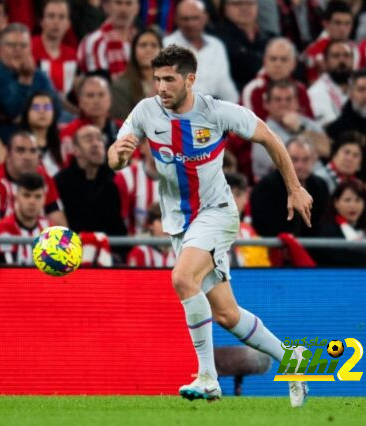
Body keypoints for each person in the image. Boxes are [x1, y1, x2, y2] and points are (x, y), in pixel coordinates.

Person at [107, 45, 312, 406]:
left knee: (182, 279)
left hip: (216, 212)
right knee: (227, 314)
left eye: (169, 79)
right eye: (157, 79)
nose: (161, 87)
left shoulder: (217, 112)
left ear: (190, 79)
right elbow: (115, 156)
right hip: (179, 224)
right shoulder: (145, 111)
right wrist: (119, 156)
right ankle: (294, 361)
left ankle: (207, 378)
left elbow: (269, 137)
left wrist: (294, 188)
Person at [0, 130, 67, 232]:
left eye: (33, 151)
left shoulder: (44, 178)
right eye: (20, 151)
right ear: (7, 154)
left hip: (41, 242)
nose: (27, 157)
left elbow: (60, 225)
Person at [0, 23, 60, 140]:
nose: (17, 50)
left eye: (23, 46)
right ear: (0, 48)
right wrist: (25, 80)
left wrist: (24, 116)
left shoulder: (39, 75)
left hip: (40, 137)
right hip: (8, 140)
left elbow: (56, 107)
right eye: (11, 45)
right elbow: (12, 110)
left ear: (30, 48)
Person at [56, 124, 127, 237]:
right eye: (88, 140)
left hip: (108, 249)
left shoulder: (113, 181)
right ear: (75, 150)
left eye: (99, 139)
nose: (95, 144)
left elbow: (118, 226)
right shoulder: (60, 182)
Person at [163, 0, 239, 103]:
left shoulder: (216, 45)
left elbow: (225, 85)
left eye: (195, 18)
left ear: (205, 18)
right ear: (176, 19)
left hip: (214, 108)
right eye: (185, 19)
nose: (190, 24)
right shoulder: (166, 45)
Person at [250, 138, 328, 238]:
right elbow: (262, 225)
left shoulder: (320, 186)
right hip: (274, 246)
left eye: (305, 160)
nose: (300, 165)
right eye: (295, 160)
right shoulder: (265, 187)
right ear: (284, 160)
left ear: (314, 160)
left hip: (310, 249)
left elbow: (319, 225)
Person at [252, 80, 327, 181]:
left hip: (317, 183)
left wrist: (299, 129)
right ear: (267, 104)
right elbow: (278, 166)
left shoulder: (306, 123)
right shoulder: (261, 131)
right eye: (278, 100)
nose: (283, 104)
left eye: (288, 99)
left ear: (296, 102)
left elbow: (326, 150)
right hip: (280, 187)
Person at [311, 179, 366, 266]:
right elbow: (347, 259)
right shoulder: (328, 230)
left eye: (358, 200)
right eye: (347, 200)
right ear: (336, 203)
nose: (353, 205)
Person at [0, 172, 50, 265]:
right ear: (16, 197)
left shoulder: (50, 229)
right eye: (26, 195)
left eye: (38, 196)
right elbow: (10, 274)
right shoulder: (2, 230)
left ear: (44, 199)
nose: (32, 201)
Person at [241, 37, 314, 121]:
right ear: (265, 61)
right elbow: (246, 129)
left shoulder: (300, 89)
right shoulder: (253, 90)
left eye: (284, 60)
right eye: (273, 59)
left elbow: (312, 125)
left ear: (293, 64)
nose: (278, 64)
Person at [213, 0, 273, 91]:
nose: (244, 8)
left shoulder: (271, 38)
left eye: (250, 3)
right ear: (224, 7)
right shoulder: (216, 40)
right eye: (237, 3)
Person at [60, 75, 122, 159]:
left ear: (110, 100)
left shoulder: (123, 128)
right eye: (90, 96)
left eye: (101, 95)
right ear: (80, 102)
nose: (96, 100)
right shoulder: (69, 133)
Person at [77, 0, 139, 79]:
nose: (123, 9)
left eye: (128, 3)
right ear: (106, 7)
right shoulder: (95, 42)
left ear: (137, 8)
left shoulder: (142, 40)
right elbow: (97, 83)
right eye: (118, 3)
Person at [111, 27, 162, 120]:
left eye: (154, 45)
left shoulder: (170, 83)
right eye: (143, 45)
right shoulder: (121, 86)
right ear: (134, 51)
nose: (148, 50)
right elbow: (122, 124)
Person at [32, 0, 78, 98]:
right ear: (41, 21)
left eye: (61, 17)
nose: (56, 22)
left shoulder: (72, 55)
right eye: (51, 16)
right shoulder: (29, 48)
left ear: (68, 24)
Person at [225, 172, 271, 268]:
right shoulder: (205, 233)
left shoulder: (251, 234)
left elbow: (262, 272)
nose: (232, 200)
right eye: (228, 194)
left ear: (246, 197)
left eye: (237, 195)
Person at [303, 1, 354, 85]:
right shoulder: (313, 52)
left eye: (347, 24)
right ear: (325, 24)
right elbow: (312, 87)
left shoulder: (355, 49)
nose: (343, 29)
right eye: (338, 23)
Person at [308, 40, 354, 127]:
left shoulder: (361, 87)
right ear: (325, 62)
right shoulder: (315, 93)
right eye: (336, 56)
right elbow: (327, 127)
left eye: (346, 55)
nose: (342, 60)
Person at [20, 91, 63, 176]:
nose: (42, 111)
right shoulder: (18, 144)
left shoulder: (62, 143)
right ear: (27, 113)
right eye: (36, 107)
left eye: (47, 107)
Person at [126, 202, 176, 267]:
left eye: (170, 221)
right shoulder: (140, 252)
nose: (167, 226)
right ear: (150, 224)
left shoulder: (182, 252)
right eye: (161, 221)